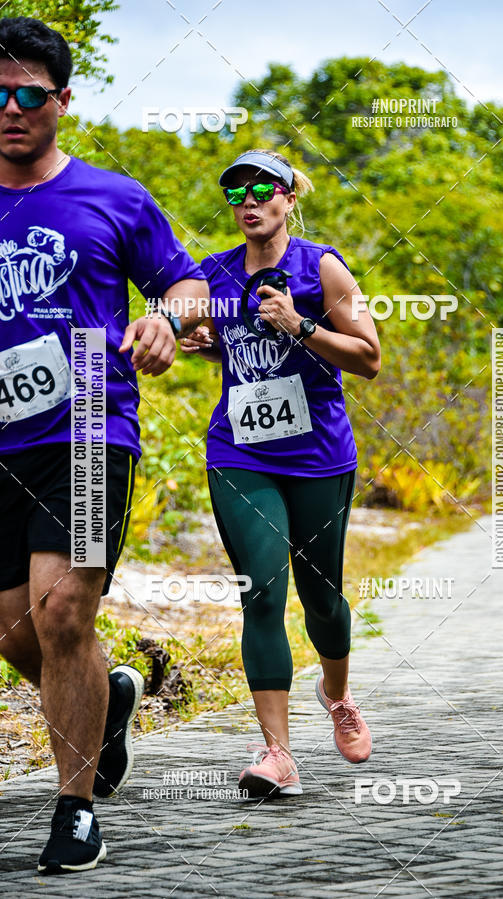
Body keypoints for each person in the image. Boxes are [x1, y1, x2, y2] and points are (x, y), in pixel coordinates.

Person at [0, 17, 209, 872]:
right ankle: (110, 695)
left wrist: (166, 319)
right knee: (18, 631)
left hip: (89, 414)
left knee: (62, 611)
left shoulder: (113, 197)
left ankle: (75, 809)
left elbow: (189, 283)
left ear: (63, 101)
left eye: (29, 94)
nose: (11, 109)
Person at [181, 149, 381, 798]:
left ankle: (338, 695)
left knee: (322, 596)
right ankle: (278, 753)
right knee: (262, 590)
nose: (249, 201)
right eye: (235, 191)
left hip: (318, 455)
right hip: (240, 452)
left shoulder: (322, 266)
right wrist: (207, 344)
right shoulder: (213, 273)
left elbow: (369, 356)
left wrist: (300, 324)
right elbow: (230, 347)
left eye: (263, 188)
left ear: (289, 198)